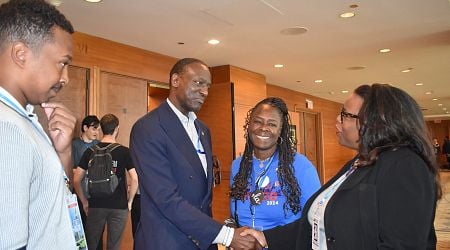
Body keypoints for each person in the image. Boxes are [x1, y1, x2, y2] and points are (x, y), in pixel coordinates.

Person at [243, 84, 440, 250]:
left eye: (344, 114)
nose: (337, 120)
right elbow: (315, 223)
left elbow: (401, 244)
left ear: (372, 122)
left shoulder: (405, 166)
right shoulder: (358, 163)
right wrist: (265, 237)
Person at [130, 58, 261, 250]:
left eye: (207, 86)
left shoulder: (203, 130)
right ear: (175, 80)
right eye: (198, 83)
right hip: (167, 241)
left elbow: (201, 197)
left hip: (202, 242)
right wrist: (226, 235)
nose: (205, 91)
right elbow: (166, 198)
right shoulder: (148, 128)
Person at [0, 0, 78, 249]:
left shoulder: (22, 119)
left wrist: (63, 153)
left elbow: (56, 199)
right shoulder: (8, 128)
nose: (65, 78)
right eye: (62, 63)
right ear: (21, 54)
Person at [230, 97, 320, 231]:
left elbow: (315, 220)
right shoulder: (238, 166)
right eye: (258, 121)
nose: (263, 128)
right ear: (249, 125)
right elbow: (234, 215)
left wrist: (268, 240)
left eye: (272, 124)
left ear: (280, 130)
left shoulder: (301, 166)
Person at [74, 114, 139, 250]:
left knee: (91, 244)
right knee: (113, 246)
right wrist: (130, 202)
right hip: (119, 206)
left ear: (101, 129)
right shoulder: (124, 152)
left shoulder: (90, 151)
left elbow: (76, 179)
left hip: (95, 205)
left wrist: (84, 202)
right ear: (117, 129)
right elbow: (134, 178)